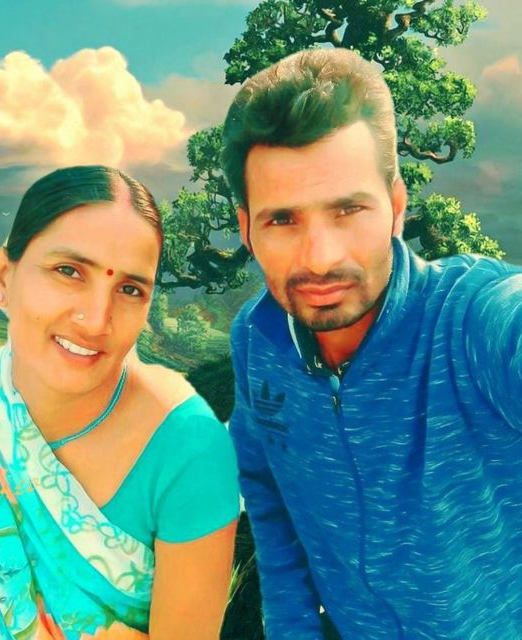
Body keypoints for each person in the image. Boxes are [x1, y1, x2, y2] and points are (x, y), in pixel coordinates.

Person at [222, 47, 522, 639]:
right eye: (282, 220)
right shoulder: (257, 343)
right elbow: (267, 491)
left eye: (348, 209)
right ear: (245, 228)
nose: (320, 257)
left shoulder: (470, 323)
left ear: (396, 206)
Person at [0, 165, 240, 640]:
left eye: (130, 289)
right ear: (4, 277)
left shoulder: (189, 449)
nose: (97, 319)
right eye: (69, 271)